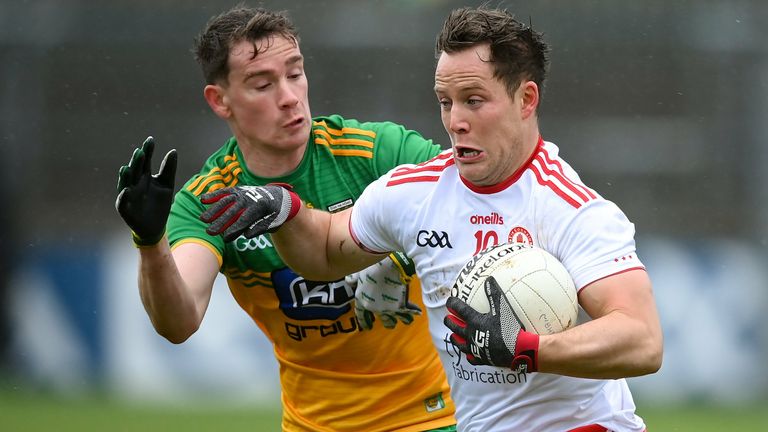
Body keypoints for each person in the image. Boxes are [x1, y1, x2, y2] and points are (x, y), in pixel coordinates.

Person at [200, 6, 664, 432]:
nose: (455, 121)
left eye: (474, 100)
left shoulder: (571, 208)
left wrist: (526, 349)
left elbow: (641, 339)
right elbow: (324, 252)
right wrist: (286, 210)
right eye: (446, 101)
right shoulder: (413, 194)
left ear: (526, 100)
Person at [115, 5, 457, 432]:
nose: (289, 96)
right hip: (312, 425)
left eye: (295, 74)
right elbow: (178, 322)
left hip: (436, 418)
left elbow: (471, 202)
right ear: (220, 100)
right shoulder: (211, 200)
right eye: (263, 84)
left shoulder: (378, 153)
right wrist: (150, 241)